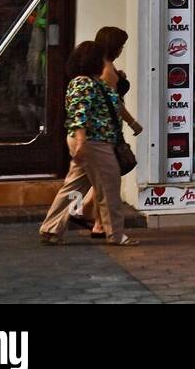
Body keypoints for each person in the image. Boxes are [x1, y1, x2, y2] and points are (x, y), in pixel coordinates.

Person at [39, 40, 138, 246]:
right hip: (94, 142)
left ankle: (51, 228)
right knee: (109, 186)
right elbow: (79, 113)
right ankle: (115, 234)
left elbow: (115, 104)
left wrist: (132, 123)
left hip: (91, 142)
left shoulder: (94, 82)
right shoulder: (84, 83)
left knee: (74, 186)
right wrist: (81, 141)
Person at [69, 27, 143, 238]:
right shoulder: (106, 70)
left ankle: (93, 221)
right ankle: (91, 217)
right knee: (106, 179)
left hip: (101, 131)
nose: (122, 50)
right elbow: (114, 102)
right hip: (104, 131)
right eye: (121, 46)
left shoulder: (105, 68)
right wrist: (132, 123)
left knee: (96, 180)